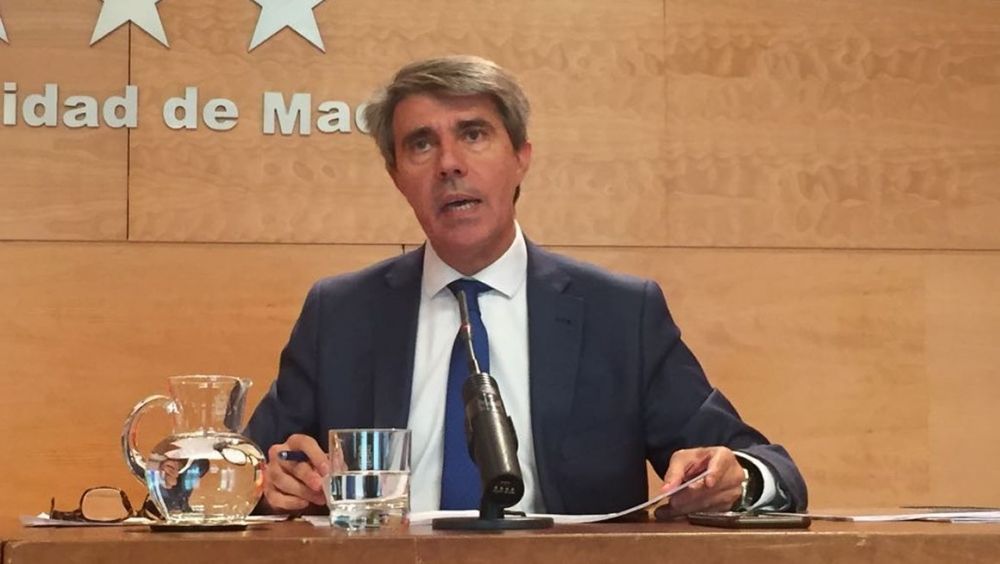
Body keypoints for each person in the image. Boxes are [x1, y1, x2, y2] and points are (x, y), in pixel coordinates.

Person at [245, 55, 808, 517]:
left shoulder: (619, 314)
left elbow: (768, 466)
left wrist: (735, 478)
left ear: (521, 157)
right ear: (396, 176)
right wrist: (272, 485)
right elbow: (246, 471)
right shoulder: (341, 314)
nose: (449, 164)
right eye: (421, 144)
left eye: (473, 134)